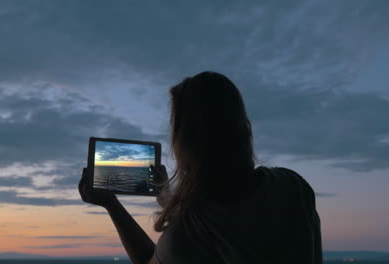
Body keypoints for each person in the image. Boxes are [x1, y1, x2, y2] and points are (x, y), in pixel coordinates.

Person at [78, 71, 322, 264]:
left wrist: (112, 204)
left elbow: (147, 260)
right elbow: (227, 212)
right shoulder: (292, 186)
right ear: (241, 124)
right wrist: (166, 196)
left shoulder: (186, 236)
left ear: (185, 142)